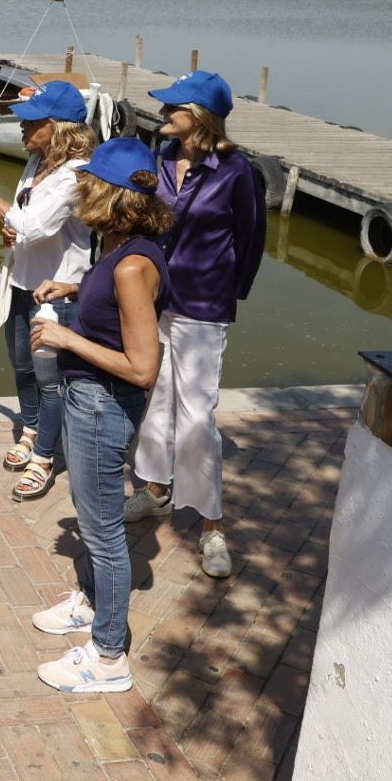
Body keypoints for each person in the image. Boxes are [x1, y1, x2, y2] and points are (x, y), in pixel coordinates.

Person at [27, 137, 172, 694]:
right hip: (89, 401)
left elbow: (142, 367)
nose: (78, 186)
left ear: (107, 193)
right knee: (91, 519)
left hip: (103, 405)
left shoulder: (133, 264)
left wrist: (66, 336)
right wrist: (75, 286)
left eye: (88, 181)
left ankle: (109, 656)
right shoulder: (118, 247)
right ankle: (90, 602)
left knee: (105, 533)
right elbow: (111, 297)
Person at [125, 70, 266, 579]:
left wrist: (228, 291)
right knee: (156, 397)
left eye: (172, 108)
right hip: (155, 297)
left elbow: (251, 241)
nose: (162, 114)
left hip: (204, 305)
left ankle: (211, 526)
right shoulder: (162, 158)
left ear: (199, 116)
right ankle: (155, 489)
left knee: (198, 414)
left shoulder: (237, 172)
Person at [0, 80, 95, 501]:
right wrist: (13, 230)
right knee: (21, 365)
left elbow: (30, 225)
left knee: (50, 379)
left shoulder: (76, 174)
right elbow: (24, 219)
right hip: (20, 280)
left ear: (58, 127)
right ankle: (32, 429)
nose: (22, 127)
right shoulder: (37, 161)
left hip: (55, 291)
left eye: (32, 122)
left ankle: (45, 458)